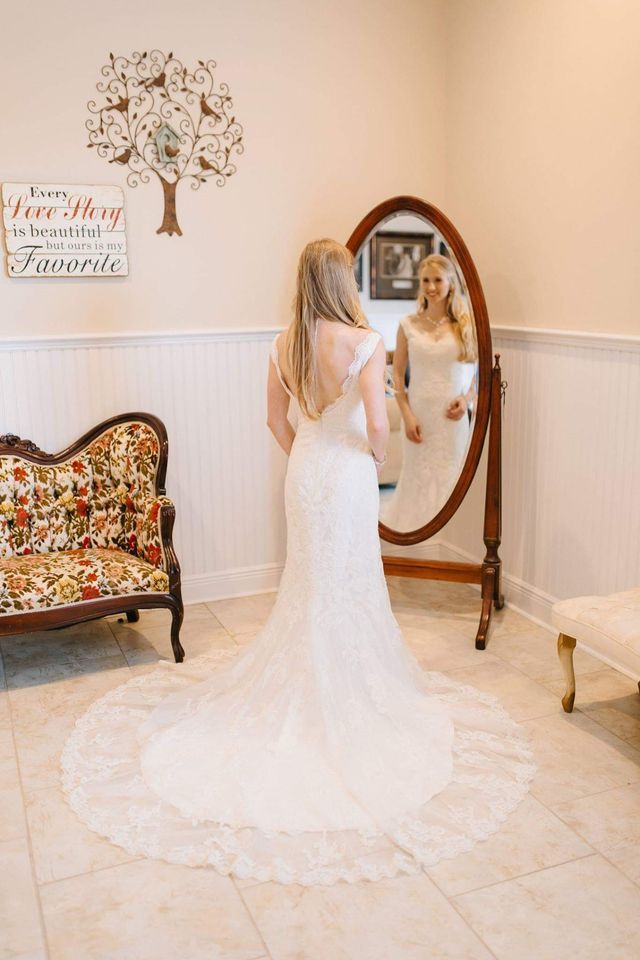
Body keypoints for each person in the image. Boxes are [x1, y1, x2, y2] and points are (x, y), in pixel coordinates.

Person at [61, 239, 533, 887]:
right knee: (346, 583)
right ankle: (344, 693)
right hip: (343, 475)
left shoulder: (283, 342)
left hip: (306, 471)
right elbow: (377, 425)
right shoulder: (363, 342)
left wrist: (308, 452)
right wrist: (365, 460)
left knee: (309, 584)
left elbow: (273, 420)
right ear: (341, 280)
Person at [380, 254, 477, 533]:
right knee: (416, 477)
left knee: (451, 475)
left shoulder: (464, 325)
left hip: (452, 418)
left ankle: (452, 537)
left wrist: (467, 399)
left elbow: (479, 370)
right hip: (419, 415)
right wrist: (407, 414)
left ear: (450, 284)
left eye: (437, 280)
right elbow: (396, 374)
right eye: (425, 280)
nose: (431, 287)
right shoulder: (407, 325)